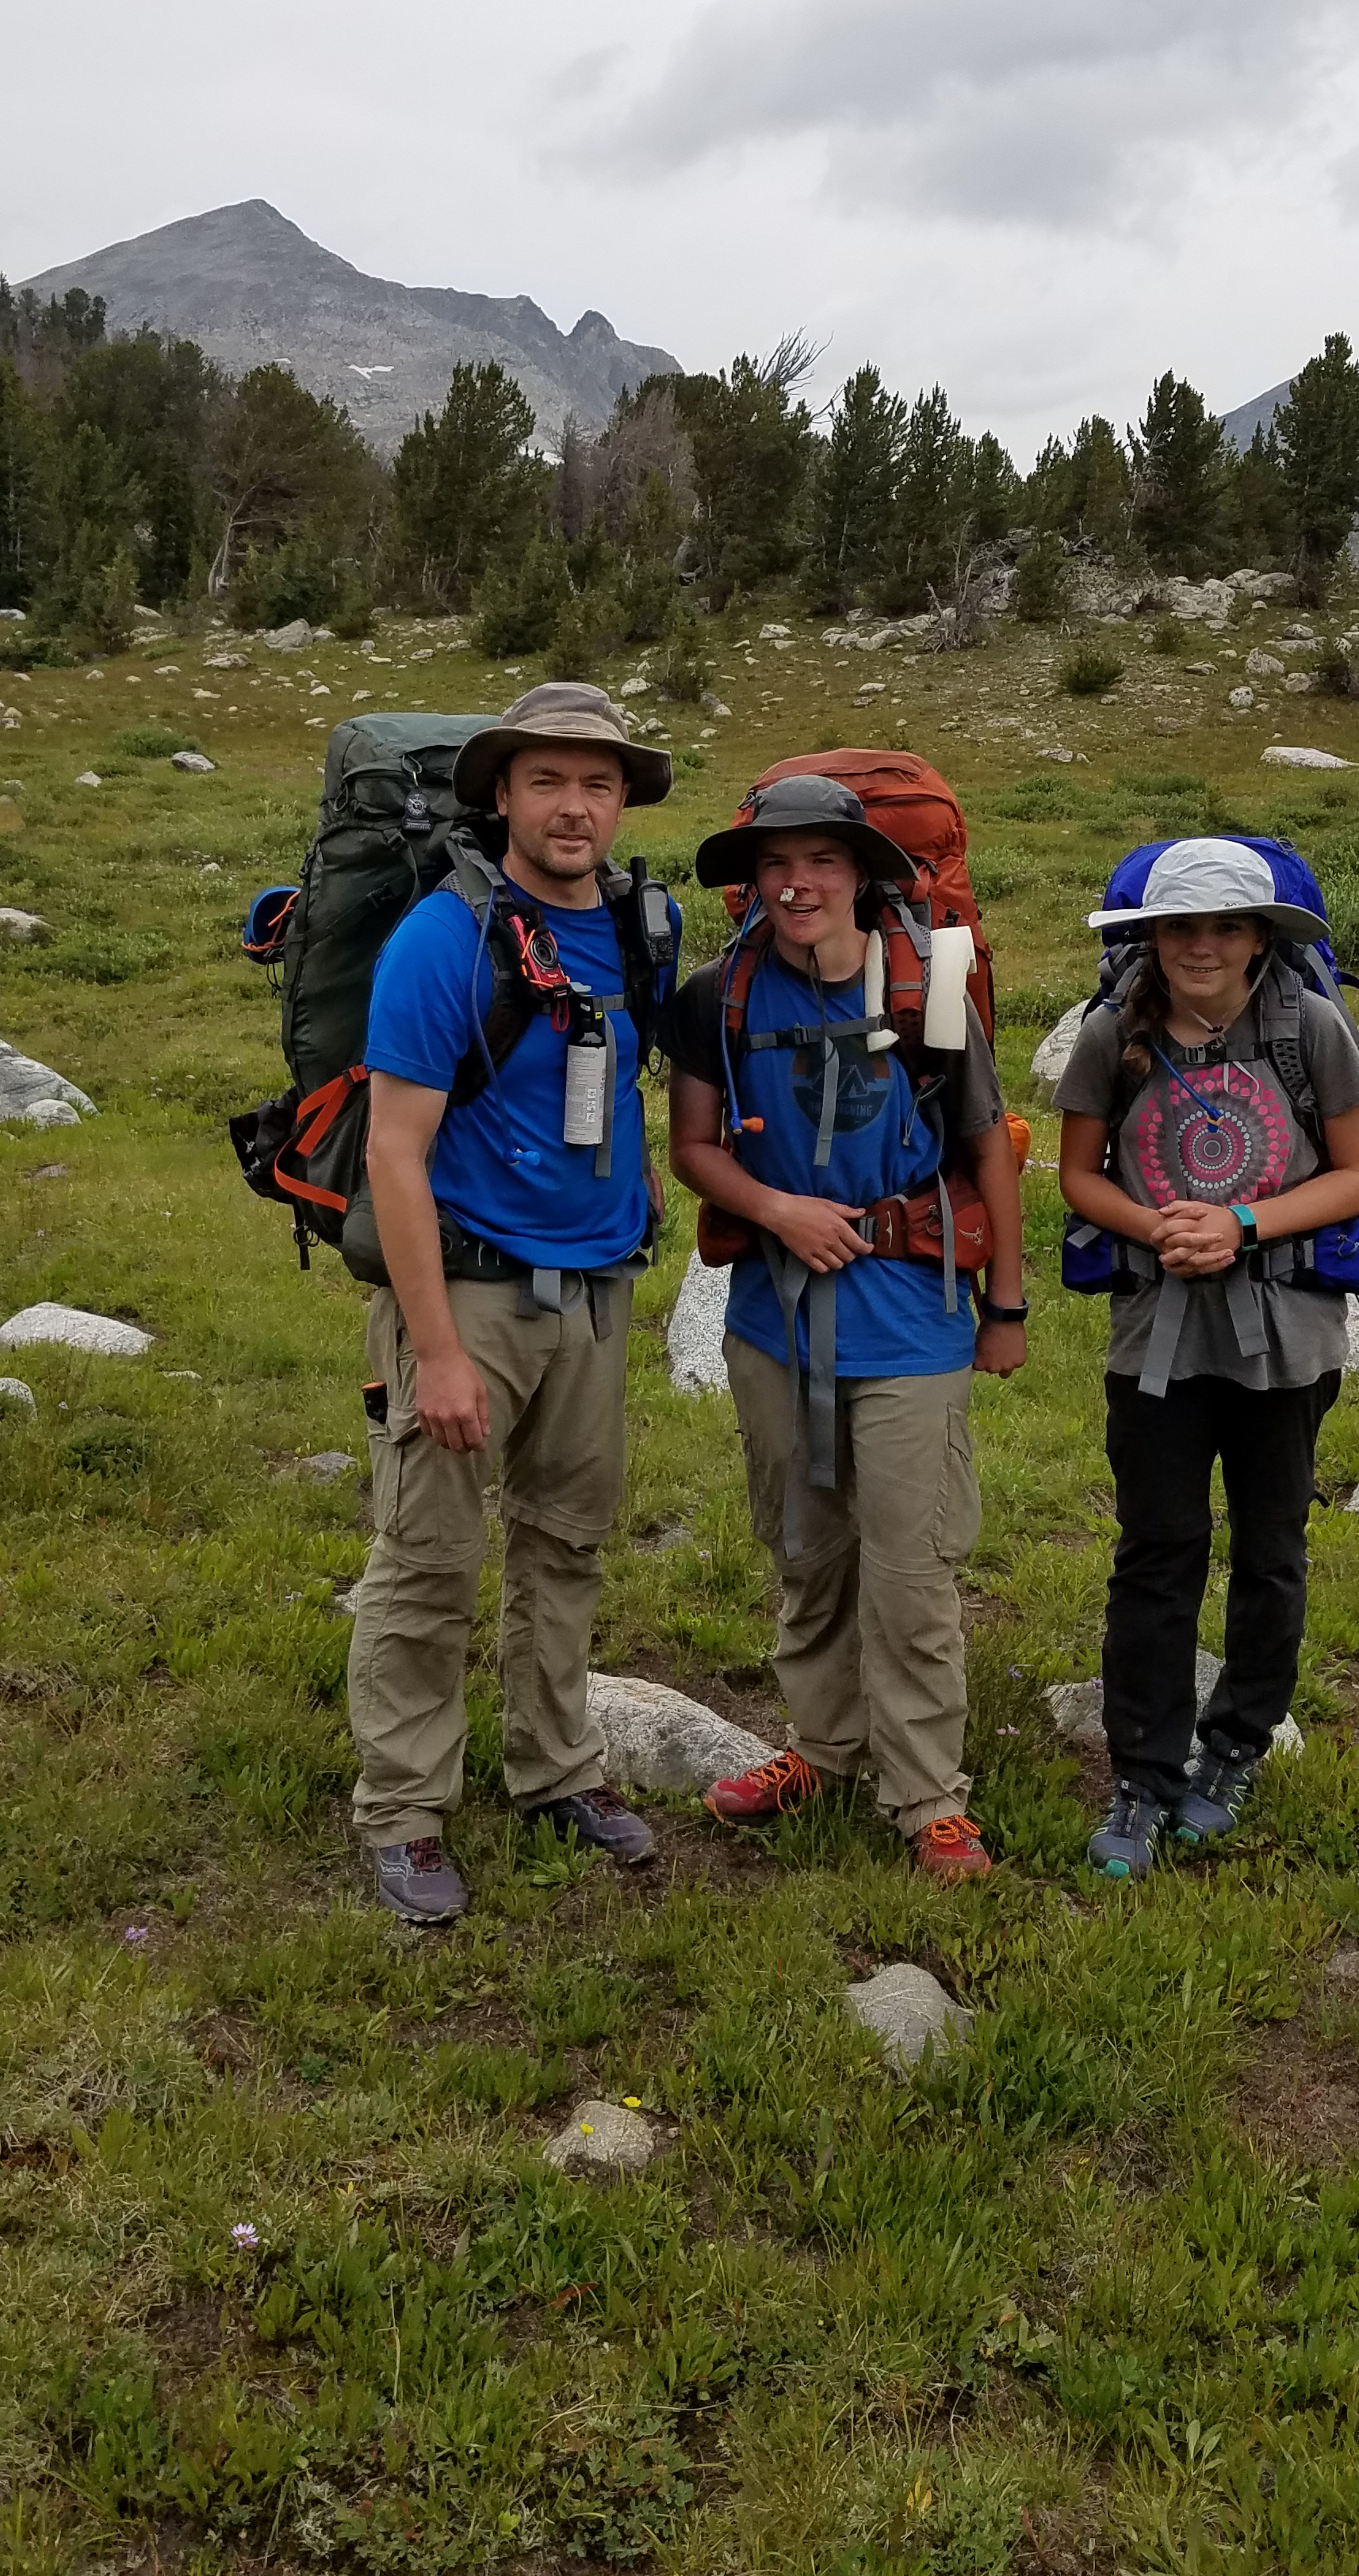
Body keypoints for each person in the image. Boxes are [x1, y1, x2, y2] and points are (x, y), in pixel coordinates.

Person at [350, 680, 678, 1926]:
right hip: (470, 1297)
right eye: (548, 780)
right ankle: (405, 1810)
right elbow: (395, 1153)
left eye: (598, 782)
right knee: (429, 1560)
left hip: (596, 1295)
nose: (576, 805)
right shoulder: (445, 939)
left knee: (566, 1546)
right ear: (501, 794)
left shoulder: (647, 927)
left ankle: (556, 1771)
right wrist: (434, 1352)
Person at [668, 774, 1026, 1883]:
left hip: (913, 1314)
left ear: (861, 872)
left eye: (820, 860)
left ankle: (927, 1797)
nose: (795, 882)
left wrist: (1005, 1304)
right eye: (774, 864)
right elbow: (694, 1145)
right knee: (804, 1545)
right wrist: (777, 1208)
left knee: (910, 1568)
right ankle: (822, 1747)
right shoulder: (714, 997)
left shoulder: (934, 985)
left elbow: (986, 1154)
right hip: (774, 1320)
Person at [1053, 836, 1359, 1878]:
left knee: (1274, 1543)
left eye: (1226, 926)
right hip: (1158, 1332)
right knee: (1157, 1547)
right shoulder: (1112, 1033)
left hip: (1288, 1336)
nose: (1202, 946)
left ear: (1258, 938)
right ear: (1148, 937)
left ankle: (1236, 1744)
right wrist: (1159, 1232)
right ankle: (1144, 1776)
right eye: (1181, 927)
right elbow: (1078, 1176)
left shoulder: (1310, 1027)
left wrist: (1240, 1223)